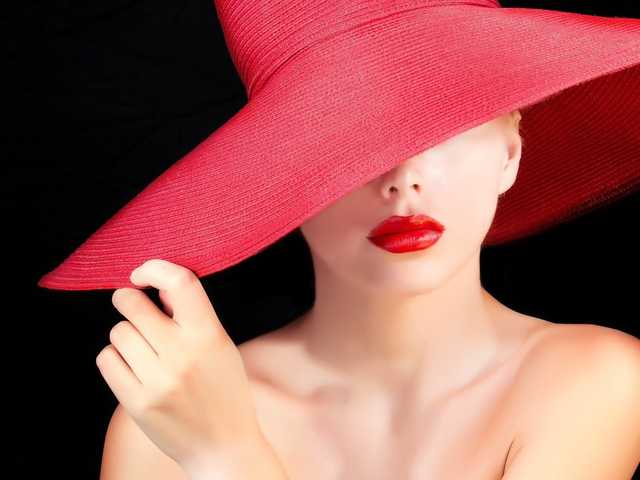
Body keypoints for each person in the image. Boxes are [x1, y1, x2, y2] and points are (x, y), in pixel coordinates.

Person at [96, 109, 640, 480]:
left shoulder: (596, 377)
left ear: (510, 153)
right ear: (278, 176)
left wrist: (224, 456)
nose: (403, 179)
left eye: (443, 122)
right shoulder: (165, 415)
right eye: (347, 134)